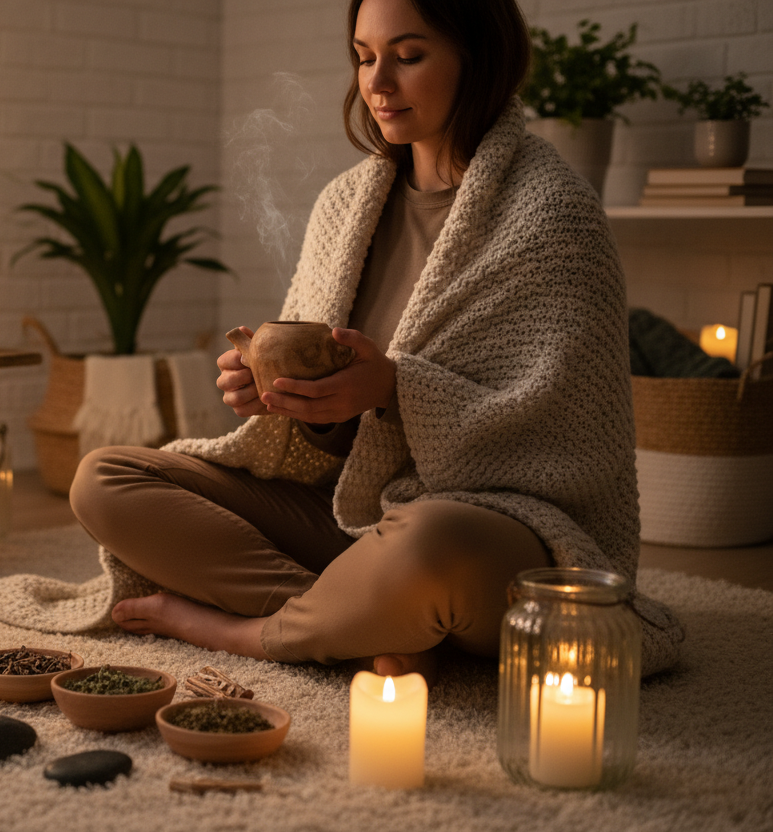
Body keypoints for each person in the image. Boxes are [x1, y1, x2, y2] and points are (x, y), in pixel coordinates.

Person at [68, 0, 683, 679]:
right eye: (364, 58)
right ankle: (365, 619)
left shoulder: (555, 213)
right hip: (343, 514)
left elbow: (561, 437)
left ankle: (249, 631)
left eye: (408, 56)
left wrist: (395, 389)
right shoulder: (344, 203)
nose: (377, 83)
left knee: (428, 545)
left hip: (484, 526)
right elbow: (333, 436)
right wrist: (289, 401)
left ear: (479, 58)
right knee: (104, 479)